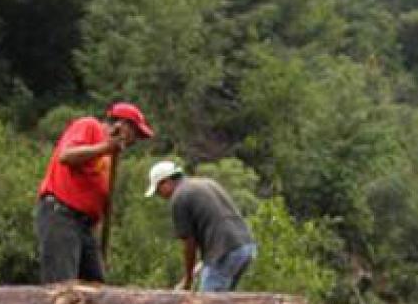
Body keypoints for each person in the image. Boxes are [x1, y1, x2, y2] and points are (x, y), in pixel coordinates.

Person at [36, 103, 154, 284]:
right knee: (63, 285)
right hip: (61, 215)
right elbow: (66, 156)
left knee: (96, 285)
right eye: (135, 133)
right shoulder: (89, 126)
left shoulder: (109, 157)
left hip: (84, 225)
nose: (135, 140)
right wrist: (105, 147)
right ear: (122, 125)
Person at [145, 160, 257, 292]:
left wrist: (188, 280)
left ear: (166, 182)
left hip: (225, 252)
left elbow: (189, 245)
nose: (160, 196)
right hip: (246, 246)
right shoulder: (206, 183)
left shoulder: (179, 198)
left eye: (158, 191)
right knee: (223, 300)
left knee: (207, 301)